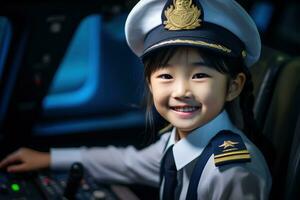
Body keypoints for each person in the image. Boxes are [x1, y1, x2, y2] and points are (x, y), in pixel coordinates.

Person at [0, 0, 272, 199]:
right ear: (150, 85)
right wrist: (49, 159)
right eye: (166, 76)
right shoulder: (177, 141)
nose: (181, 91)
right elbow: (126, 163)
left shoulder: (233, 172)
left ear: (233, 87)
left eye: (200, 75)